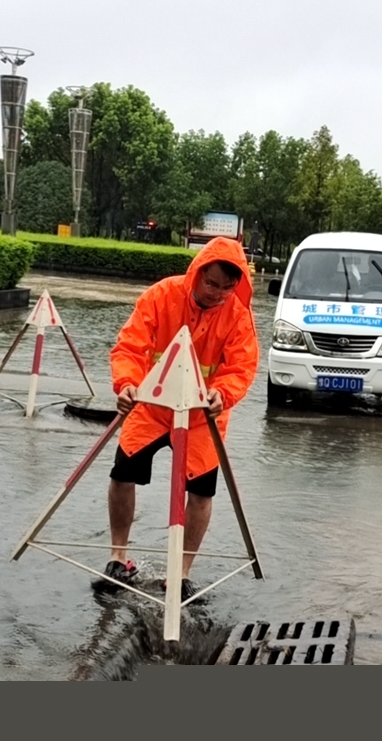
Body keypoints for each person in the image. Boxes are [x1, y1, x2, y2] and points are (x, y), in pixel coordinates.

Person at [92, 237, 259, 599]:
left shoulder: (238, 315)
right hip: (150, 408)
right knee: (122, 474)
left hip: (202, 417)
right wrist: (126, 385)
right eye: (211, 283)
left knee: (200, 493)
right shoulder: (162, 296)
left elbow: (241, 366)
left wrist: (222, 395)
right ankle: (118, 557)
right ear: (197, 273)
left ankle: (180, 572)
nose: (217, 293)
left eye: (227, 288)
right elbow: (131, 346)